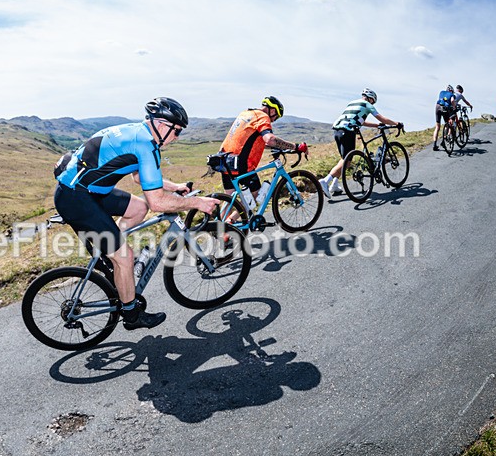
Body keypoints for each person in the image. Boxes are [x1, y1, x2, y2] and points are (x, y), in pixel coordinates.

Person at [53, 97, 220, 330]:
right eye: (177, 132)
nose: (176, 137)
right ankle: (132, 315)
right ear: (162, 125)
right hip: (77, 198)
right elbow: (158, 203)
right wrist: (197, 203)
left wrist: (175, 187)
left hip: (87, 191)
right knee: (125, 256)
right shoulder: (146, 144)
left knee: (138, 207)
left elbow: (140, 177)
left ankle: (112, 260)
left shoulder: (138, 132)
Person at [216, 96, 307, 210]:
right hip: (242, 164)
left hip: (225, 161)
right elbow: (270, 139)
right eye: (276, 117)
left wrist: (281, 147)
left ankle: (222, 226)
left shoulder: (246, 113)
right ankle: (235, 220)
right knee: (257, 196)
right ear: (272, 110)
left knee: (229, 202)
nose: (274, 120)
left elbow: (254, 142)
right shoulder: (263, 117)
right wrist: (295, 146)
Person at [318, 88, 403, 197]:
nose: (373, 103)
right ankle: (325, 181)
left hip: (338, 131)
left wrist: (376, 125)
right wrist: (397, 123)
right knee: (346, 161)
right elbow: (382, 118)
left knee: (345, 160)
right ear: (370, 99)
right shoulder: (367, 104)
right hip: (348, 132)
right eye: (373, 101)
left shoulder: (352, 103)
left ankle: (334, 184)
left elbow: (361, 121)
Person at [432, 85, 457, 151]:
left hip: (437, 107)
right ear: (451, 91)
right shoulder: (452, 94)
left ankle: (434, 145)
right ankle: (445, 139)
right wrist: (454, 107)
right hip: (445, 109)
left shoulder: (441, 92)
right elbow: (452, 101)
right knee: (447, 123)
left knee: (437, 127)